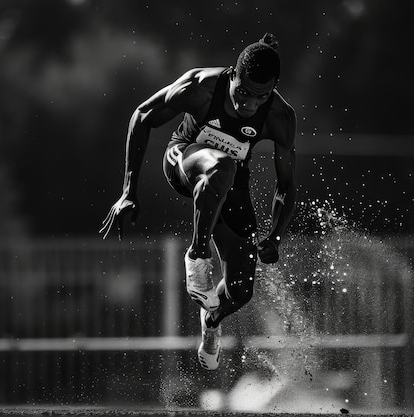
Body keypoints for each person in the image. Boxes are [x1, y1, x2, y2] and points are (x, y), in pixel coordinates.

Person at [100, 33, 297, 370]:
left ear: (274, 89)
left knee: (240, 292)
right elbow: (142, 115)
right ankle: (198, 254)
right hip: (185, 161)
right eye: (243, 93)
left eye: (260, 98)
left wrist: (276, 234)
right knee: (222, 164)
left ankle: (211, 322)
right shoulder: (202, 86)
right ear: (233, 74)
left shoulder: (280, 116)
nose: (248, 105)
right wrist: (128, 192)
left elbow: (286, 184)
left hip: (230, 183)